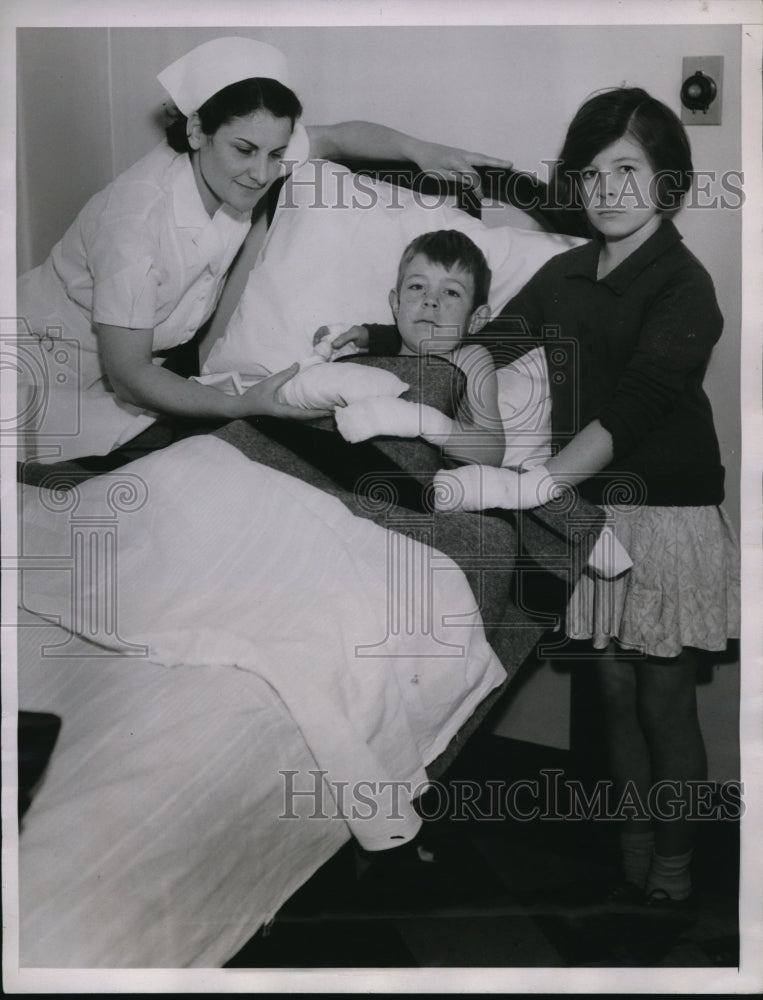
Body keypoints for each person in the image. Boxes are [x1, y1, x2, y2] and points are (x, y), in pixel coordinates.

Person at [430, 87, 740, 908]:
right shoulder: (563, 271)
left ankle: (675, 861)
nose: (607, 191)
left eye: (627, 171)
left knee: (662, 701)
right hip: (589, 511)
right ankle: (633, 840)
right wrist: (397, 343)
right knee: (608, 690)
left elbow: (633, 406)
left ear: (666, 183)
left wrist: (540, 482)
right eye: (592, 174)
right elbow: (493, 345)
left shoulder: (684, 283)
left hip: (666, 514)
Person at [17, 36, 511, 466]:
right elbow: (128, 375)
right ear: (196, 131)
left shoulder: (245, 156)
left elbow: (338, 138)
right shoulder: (136, 223)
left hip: (137, 375)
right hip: (40, 364)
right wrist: (243, 404)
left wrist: (421, 151)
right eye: (245, 151)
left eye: (277, 153)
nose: (261, 173)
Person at [326, 229, 506, 466]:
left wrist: (426, 423)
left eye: (451, 292)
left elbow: (492, 453)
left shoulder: (469, 360)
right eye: (416, 286)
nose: (430, 299)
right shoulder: (369, 361)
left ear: (476, 319)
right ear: (396, 304)